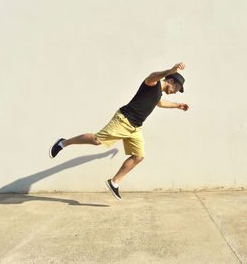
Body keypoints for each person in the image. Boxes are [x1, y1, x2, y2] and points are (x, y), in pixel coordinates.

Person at [49, 62, 189, 200]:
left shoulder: (158, 93)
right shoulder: (153, 83)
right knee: (97, 140)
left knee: (138, 156)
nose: (176, 92)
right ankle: (63, 143)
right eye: (177, 88)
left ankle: (114, 181)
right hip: (124, 120)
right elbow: (152, 76)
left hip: (135, 127)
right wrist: (170, 70)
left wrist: (178, 105)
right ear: (171, 80)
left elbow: (160, 103)